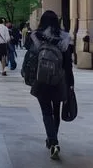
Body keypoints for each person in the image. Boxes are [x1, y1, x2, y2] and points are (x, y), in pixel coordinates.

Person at [23, 10, 74, 160]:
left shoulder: (35, 35)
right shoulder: (64, 37)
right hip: (59, 79)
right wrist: (70, 82)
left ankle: (53, 141)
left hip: (41, 79)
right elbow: (68, 64)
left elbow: (30, 54)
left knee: (46, 111)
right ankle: (53, 139)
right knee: (56, 110)